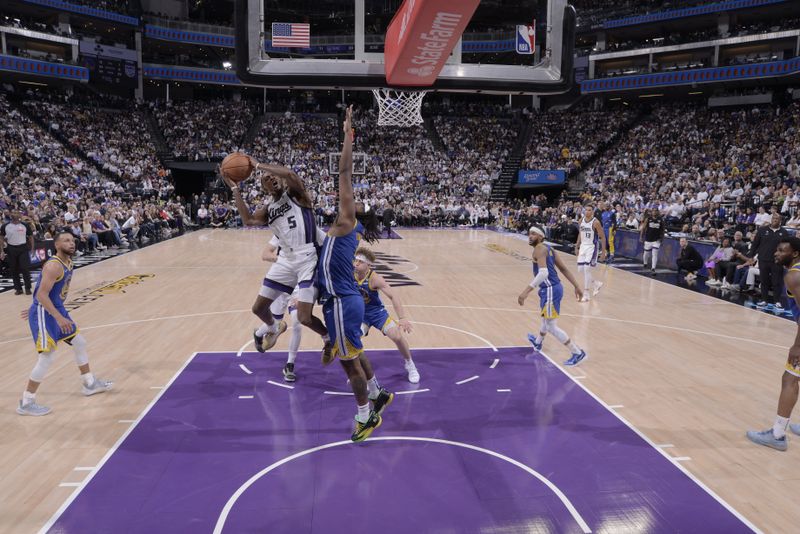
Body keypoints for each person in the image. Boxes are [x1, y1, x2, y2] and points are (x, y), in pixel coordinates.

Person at [316, 105, 391, 442]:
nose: (351, 199)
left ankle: (365, 416)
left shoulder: (348, 221)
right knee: (355, 352)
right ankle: (378, 393)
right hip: (339, 300)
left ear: (359, 212)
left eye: (357, 201)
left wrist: (347, 135)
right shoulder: (346, 226)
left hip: (343, 303)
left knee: (348, 363)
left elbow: (343, 173)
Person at [222, 154, 330, 356]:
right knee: (258, 308)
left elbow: (289, 173)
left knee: (304, 318)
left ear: (280, 180)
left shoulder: (297, 195)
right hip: (286, 260)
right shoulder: (268, 210)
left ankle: (327, 337)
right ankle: (273, 327)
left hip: (307, 257)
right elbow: (248, 220)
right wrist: (235, 188)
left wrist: (259, 166)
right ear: (266, 189)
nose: (271, 179)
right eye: (267, 181)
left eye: (273, 177)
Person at [18, 230, 112, 416]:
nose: (71, 243)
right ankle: (26, 402)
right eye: (66, 241)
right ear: (57, 245)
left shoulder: (69, 262)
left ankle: (89, 383)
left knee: (79, 342)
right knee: (47, 358)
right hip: (46, 313)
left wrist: (45, 309)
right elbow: (41, 295)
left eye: (72, 240)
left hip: (55, 308)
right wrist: (55, 316)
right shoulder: (54, 266)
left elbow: (46, 291)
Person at [747, 237, 800, 450]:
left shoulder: (794, 276)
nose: (776, 253)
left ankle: (777, 436)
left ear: (794, 253)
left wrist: (797, 345)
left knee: (789, 379)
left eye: (781, 250)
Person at [520, 226, 587, 366]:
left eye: (533, 234)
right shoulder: (549, 249)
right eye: (529, 233)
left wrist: (526, 291)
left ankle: (577, 352)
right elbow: (563, 269)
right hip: (552, 288)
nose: (530, 236)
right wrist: (577, 286)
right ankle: (538, 343)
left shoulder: (539, 249)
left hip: (550, 289)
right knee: (545, 319)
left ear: (540, 236)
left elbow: (543, 273)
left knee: (551, 326)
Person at [354, 246, 419, 383]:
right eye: (356, 260)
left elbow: (393, 296)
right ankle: (358, 372)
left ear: (368, 265)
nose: (357, 263)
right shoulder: (349, 275)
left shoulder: (375, 279)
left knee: (397, 335)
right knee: (353, 340)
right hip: (360, 315)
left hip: (377, 314)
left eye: (360, 261)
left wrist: (402, 318)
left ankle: (410, 364)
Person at [261, 236, 304, 382]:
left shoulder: (311, 233)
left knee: (297, 323)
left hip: (299, 283)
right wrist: (281, 261)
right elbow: (265, 254)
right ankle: (259, 333)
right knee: (274, 320)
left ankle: (290, 364)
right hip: (282, 279)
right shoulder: (281, 232)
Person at [748, 212, 791, 311]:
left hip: (777, 261)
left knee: (777, 282)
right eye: (773, 219)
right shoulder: (762, 230)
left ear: (780, 221)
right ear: (771, 220)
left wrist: (786, 261)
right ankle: (764, 300)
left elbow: (787, 248)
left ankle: (777, 301)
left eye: (777, 219)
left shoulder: (784, 232)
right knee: (764, 281)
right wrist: (751, 256)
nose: (775, 220)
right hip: (763, 259)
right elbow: (755, 244)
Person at [575, 205, 607, 302]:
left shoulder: (596, 222)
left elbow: (603, 237)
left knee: (586, 268)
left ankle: (586, 294)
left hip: (592, 247)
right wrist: (577, 246)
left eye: (590, 210)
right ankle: (595, 283)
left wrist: (603, 252)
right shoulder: (581, 220)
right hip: (583, 246)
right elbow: (580, 233)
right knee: (580, 269)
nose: (587, 212)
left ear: (592, 212)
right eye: (586, 210)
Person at [1, 211, 34, 295]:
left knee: (25, 268)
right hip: (11, 248)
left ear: (20, 215)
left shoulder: (25, 225)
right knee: (14, 269)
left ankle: (27, 288)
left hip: (23, 248)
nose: (15, 214)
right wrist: (1, 251)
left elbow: (30, 237)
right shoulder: (5, 226)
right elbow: (1, 238)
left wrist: (32, 248)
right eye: (13, 213)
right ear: (10, 215)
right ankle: (18, 288)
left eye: (17, 213)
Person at [640, 207, 665, 276]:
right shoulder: (648, 219)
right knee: (646, 254)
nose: (654, 212)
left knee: (655, 254)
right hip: (648, 239)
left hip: (656, 240)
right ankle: (645, 263)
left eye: (656, 211)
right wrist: (641, 237)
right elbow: (643, 228)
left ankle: (653, 268)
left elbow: (662, 230)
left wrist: (662, 239)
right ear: (651, 212)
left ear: (658, 212)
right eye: (653, 211)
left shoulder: (661, 220)